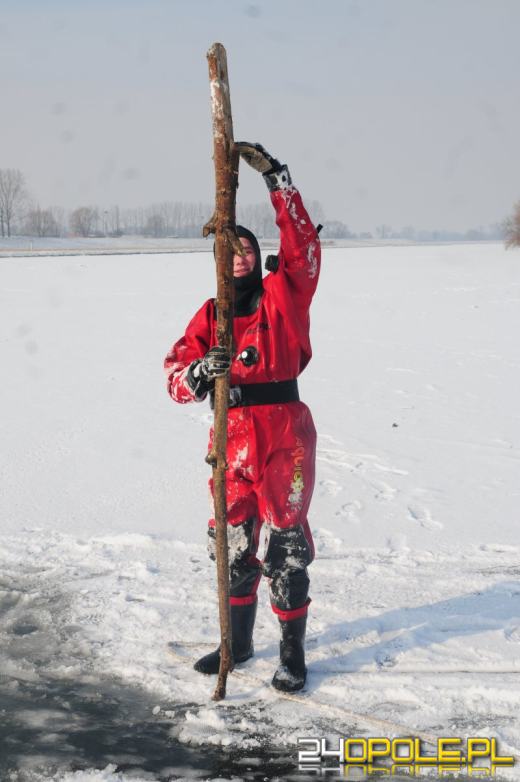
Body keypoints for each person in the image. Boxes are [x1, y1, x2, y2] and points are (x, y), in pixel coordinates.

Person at [164, 142, 321, 692]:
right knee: (230, 546)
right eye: (229, 251)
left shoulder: (285, 294)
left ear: (256, 255)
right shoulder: (211, 314)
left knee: (286, 548)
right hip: (230, 442)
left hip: (285, 436)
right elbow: (176, 380)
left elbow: (303, 249)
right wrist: (204, 371)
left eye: (247, 249)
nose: (240, 258)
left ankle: (291, 653)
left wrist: (278, 180)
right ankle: (239, 642)